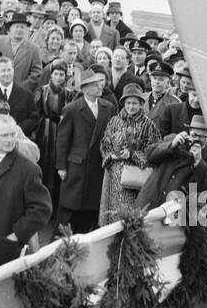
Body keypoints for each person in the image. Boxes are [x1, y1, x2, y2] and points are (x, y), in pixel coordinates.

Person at [0, 115, 53, 269]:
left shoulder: (28, 169)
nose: (10, 140)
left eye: (13, 134)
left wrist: (17, 235)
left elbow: (42, 209)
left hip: (6, 251)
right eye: (4, 135)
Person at [55, 67, 116, 232]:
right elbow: (62, 140)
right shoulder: (72, 109)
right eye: (95, 85)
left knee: (92, 209)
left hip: (99, 164)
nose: (100, 87)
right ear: (85, 89)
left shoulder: (108, 107)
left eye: (100, 84)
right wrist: (61, 166)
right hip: (77, 166)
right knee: (70, 208)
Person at [98, 83, 161, 226]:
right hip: (113, 175)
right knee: (111, 214)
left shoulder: (148, 125)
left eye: (134, 103)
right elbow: (105, 143)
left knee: (130, 215)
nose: (131, 107)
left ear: (140, 104)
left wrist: (132, 155)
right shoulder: (114, 121)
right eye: (128, 103)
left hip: (135, 176)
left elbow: (153, 152)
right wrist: (111, 156)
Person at [33, 61, 73, 209]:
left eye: (61, 74)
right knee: (45, 162)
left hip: (62, 129)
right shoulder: (42, 91)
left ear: (65, 76)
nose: (58, 77)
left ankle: (56, 203)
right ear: (51, 74)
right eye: (55, 74)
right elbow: (36, 111)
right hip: (45, 130)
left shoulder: (69, 93)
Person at [0, 55, 38, 136]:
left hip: (20, 139)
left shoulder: (26, 94)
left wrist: (18, 129)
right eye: (3, 70)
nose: (7, 73)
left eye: (9, 70)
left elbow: (34, 118)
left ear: (13, 71)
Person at [0, 11, 43, 90]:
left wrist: (22, 88)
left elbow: (36, 72)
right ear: (10, 28)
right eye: (16, 26)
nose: (19, 30)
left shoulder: (34, 49)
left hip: (21, 92)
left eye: (22, 27)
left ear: (26, 30)